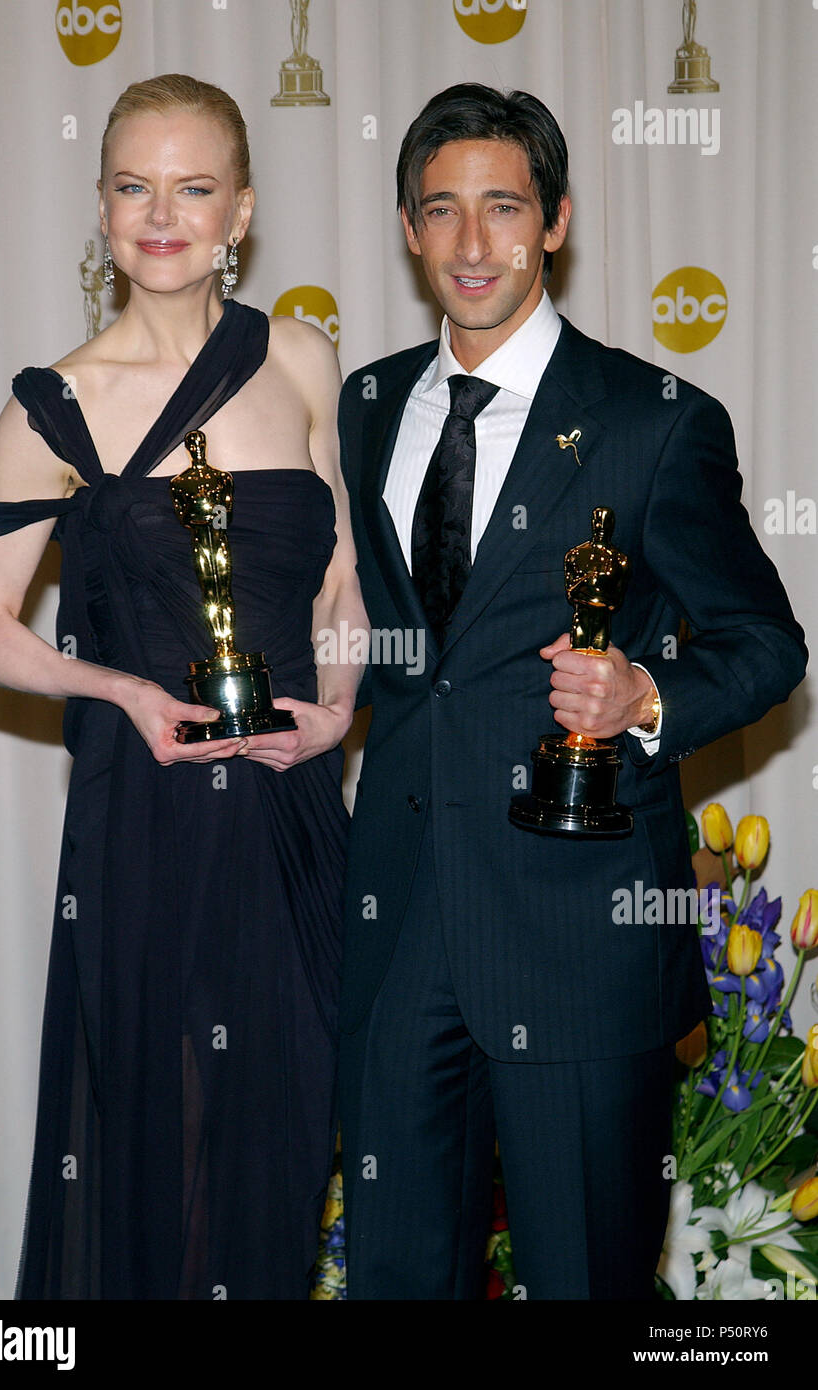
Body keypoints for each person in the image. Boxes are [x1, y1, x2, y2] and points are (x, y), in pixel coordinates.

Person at [335, 83, 808, 1300]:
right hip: (395, 928)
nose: (473, 243)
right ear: (408, 228)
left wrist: (646, 691)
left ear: (555, 222)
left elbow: (766, 643)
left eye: (503, 207)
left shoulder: (656, 423)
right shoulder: (371, 401)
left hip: (580, 930)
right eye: (442, 211)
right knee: (395, 1274)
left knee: (586, 1280)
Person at [0, 73, 366, 1300]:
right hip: (149, 818)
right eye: (135, 186)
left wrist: (339, 715)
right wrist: (124, 693)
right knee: (164, 1139)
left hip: (294, 812)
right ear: (101, 207)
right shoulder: (52, 405)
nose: (164, 214)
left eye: (194, 187)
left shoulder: (302, 359)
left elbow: (341, 582)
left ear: (243, 209)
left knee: (288, 1143)